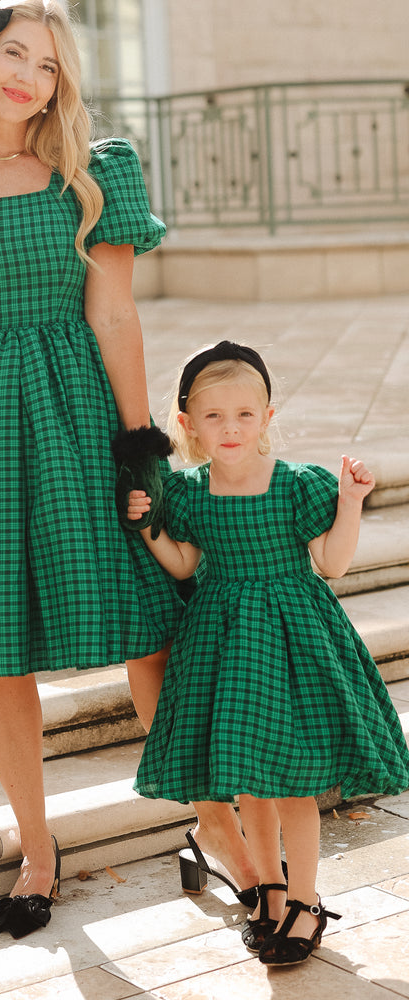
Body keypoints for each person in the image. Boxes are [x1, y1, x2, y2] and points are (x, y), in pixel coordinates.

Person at [0, 0, 254, 941]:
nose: (33, 78)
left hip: (76, 419)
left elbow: (114, 316)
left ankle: (218, 822)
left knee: (151, 619)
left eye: (51, 63)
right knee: (1, 644)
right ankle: (38, 846)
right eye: (16, 55)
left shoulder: (92, 175)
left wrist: (139, 444)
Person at [128, 340, 409, 965]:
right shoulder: (190, 494)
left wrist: (352, 503)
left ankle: (307, 902)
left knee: (293, 784)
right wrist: (147, 526)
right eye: (214, 417)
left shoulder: (296, 486)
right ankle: (270, 892)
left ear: (268, 417)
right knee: (249, 782)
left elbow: (331, 564)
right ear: (188, 424)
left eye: (245, 415)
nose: (230, 429)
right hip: (223, 646)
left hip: (293, 641)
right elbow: (183, 561)